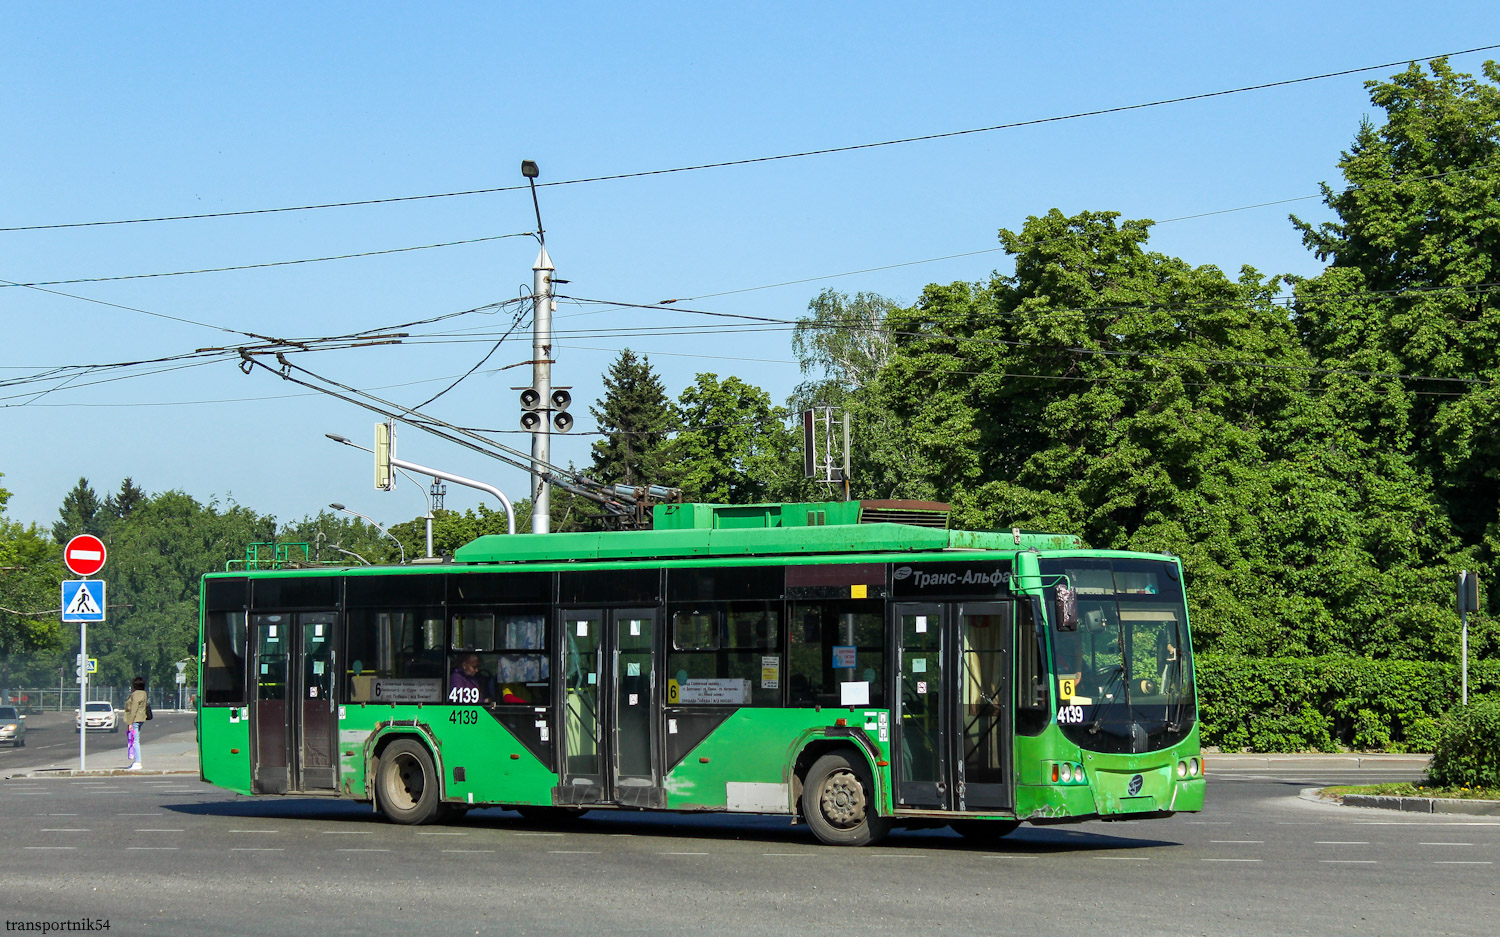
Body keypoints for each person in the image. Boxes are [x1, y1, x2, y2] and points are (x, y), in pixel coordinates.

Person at [122, 676, 148, 770]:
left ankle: (138, 762)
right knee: (135, 740)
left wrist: (130, 722)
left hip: (135, 719)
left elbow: (133, 709)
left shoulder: (136, 694)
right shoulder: (144, 693)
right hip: (141, 718)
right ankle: (136, 761)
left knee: (135, 741)